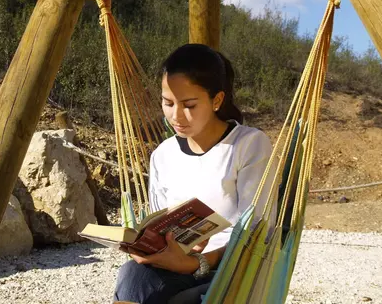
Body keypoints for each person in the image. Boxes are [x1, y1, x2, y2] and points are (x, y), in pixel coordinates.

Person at [113, 44, 275, 304]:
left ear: (217, 100)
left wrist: (194, 262)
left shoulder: (247, 145)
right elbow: (158, 224)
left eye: (189, 105)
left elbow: (257, 234)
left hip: (228, 271)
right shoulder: (163, 155)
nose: (175, 116)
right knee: (133, 274)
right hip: (174, 264)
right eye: (168, 103)